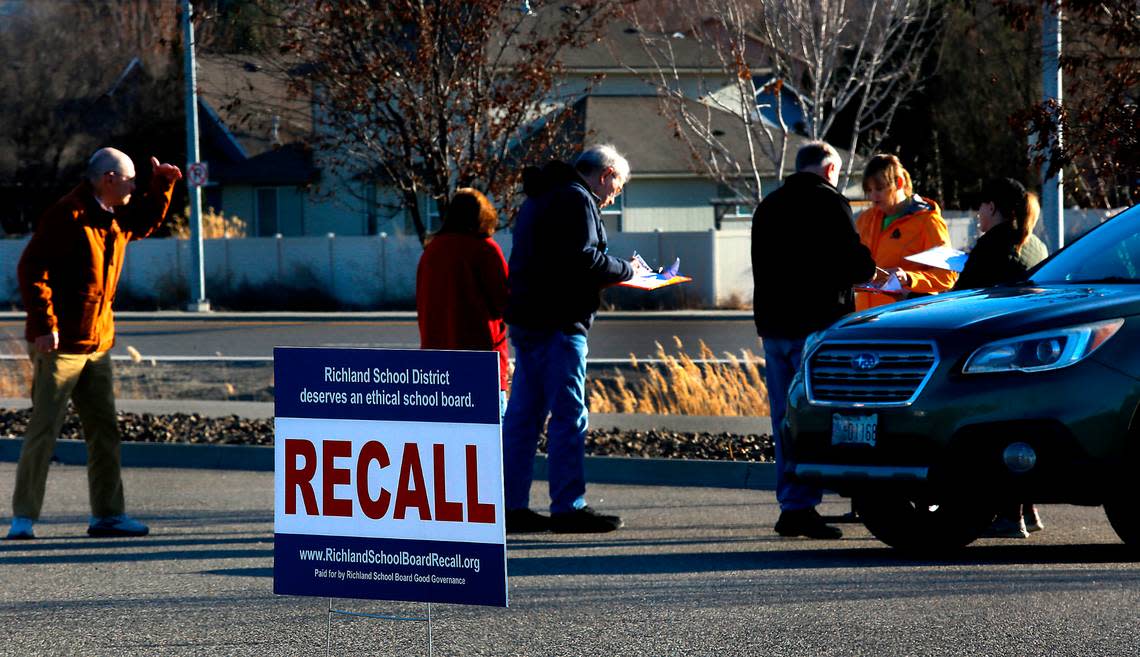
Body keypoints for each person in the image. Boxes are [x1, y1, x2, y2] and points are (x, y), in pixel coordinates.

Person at [5, 148, 182, 540]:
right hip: (60, 346)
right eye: (130, 179)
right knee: (44, 429)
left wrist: (163, 185)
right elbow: (31, 268)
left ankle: (108, 516)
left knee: (104, 431)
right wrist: (44, 324)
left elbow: (147, 221)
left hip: (98, 344)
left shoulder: (113, 217)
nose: (135, 185)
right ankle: (23, 518)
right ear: (108, 179)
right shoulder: (68, 214)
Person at [501, 144, 633, 534]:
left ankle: (511, 506)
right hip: (560, 323)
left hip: (528, 321)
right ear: (606, 174)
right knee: (568, 415)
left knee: (523, 417)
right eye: (617, 186)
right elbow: (583, 259)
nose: (614, 195)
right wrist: (628, 271)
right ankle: (568, 506)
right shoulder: (577, 200)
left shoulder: (539, 197)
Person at [752, 141, 876, 539]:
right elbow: (856, 263)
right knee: (819, 416)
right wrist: (869, 269)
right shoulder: (830, 204)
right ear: (828, 170)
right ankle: (808, 505)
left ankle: (793, 503)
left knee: (784, 419)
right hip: (817, 327)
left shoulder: (768, 206)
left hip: (774, 326)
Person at [954, 178, 1049, 539]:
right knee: (1024, 430)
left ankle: (1010, 514)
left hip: (998, 353)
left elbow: (963, 298)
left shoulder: (992, 244)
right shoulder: (1035, 243)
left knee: (997, 432)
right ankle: (1027, 508)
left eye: (981, 207)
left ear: (993, 207)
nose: (978, 213)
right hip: (1036, 353)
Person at [415, 188, 510, 406]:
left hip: (436, 362)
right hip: (480, 359)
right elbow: (504, 303)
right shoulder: (485, 249)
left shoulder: (432, 251)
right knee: (492, 433)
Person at [855, 154, 957, 310]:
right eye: (869, 190)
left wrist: (909, 278)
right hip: (863, 319)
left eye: (879, 188)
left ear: (899, 183)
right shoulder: (865, 219)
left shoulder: (928, 221)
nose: (873, 196)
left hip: (903, 321)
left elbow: (947, 276)